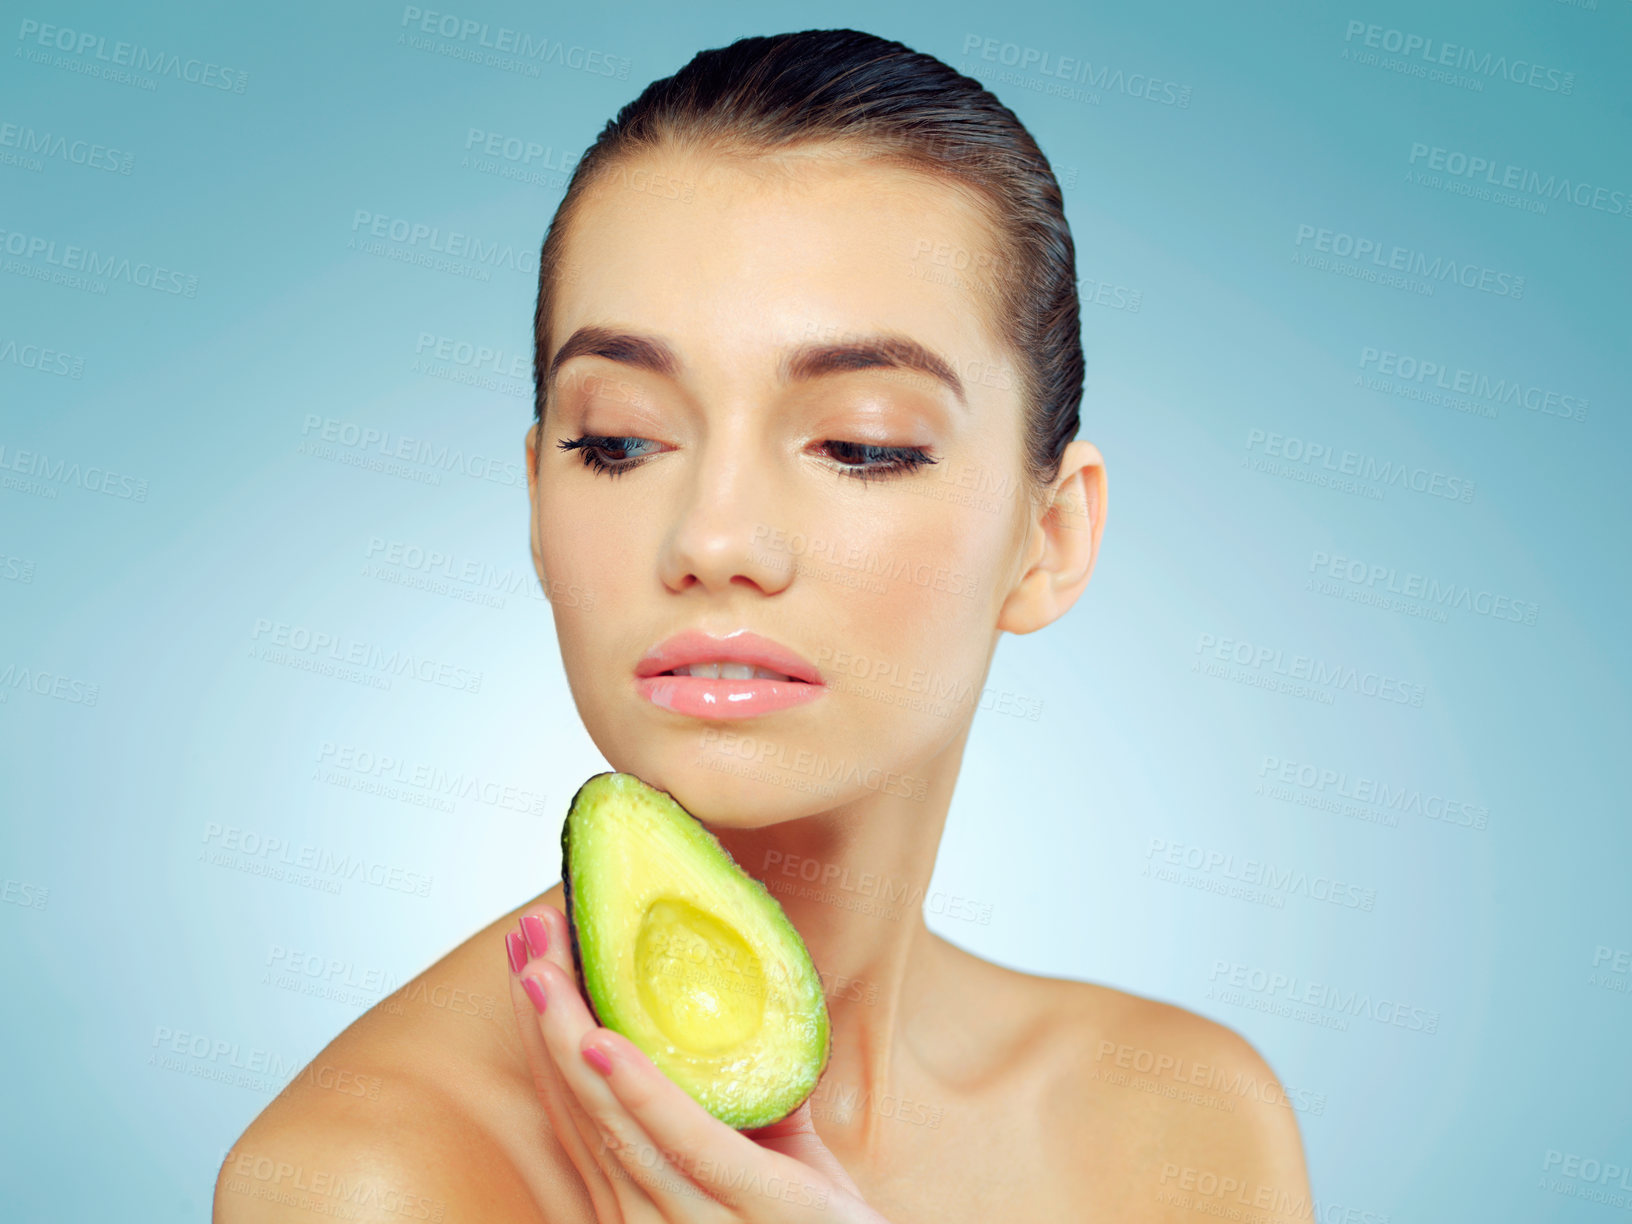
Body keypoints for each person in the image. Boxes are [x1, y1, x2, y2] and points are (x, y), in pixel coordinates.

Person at [218, 28, 1310, 1222]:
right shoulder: (375, 1180)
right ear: (538, 500)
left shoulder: (1184, 1124)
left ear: (1049, 539)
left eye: (861, 444)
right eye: (620, 440)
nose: (715, 538)